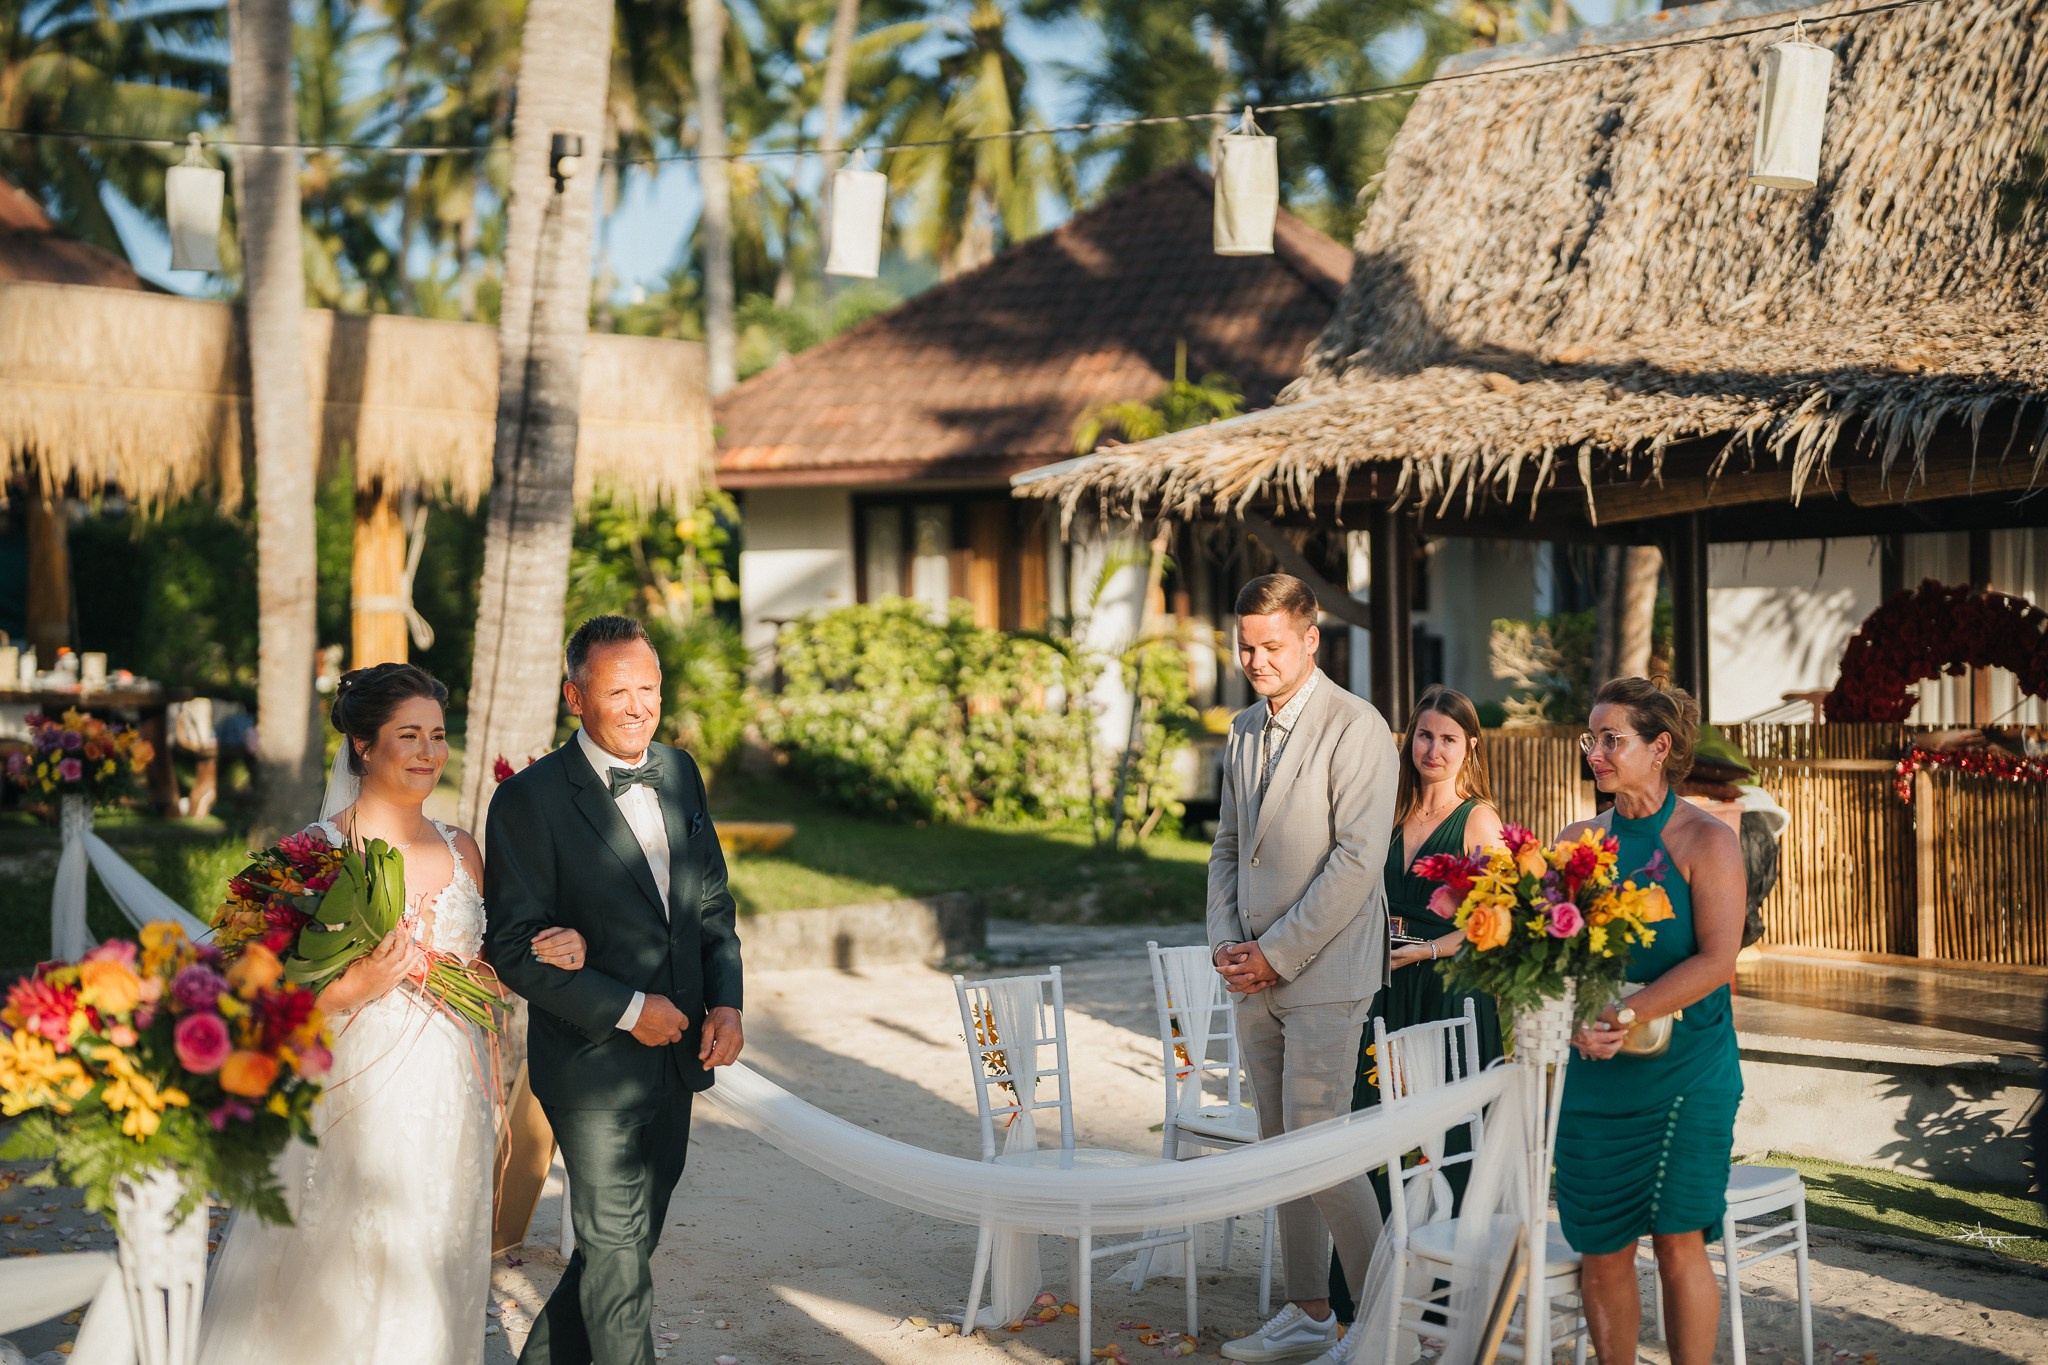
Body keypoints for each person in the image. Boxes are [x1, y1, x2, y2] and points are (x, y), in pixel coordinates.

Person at [200, 663, 587, 1365]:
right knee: (338, 1266)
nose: (427, 753)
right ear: (362, 745)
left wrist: (552, 946)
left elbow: (492, 959)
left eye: (437, 735)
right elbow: (253, 995)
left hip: (454, 1098)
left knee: (433, 1257)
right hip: (350, 1098)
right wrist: (355, 985)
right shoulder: (314, 854)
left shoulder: (462, 846)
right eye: (407, 735)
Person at [485, 615, 745, 1365]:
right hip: (591, 1065)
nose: (639, 705)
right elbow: (512, 948)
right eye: (617, 690)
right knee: (619, 1257)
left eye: (650, 689)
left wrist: (725, 999)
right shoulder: (529, 801)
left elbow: (711, 905)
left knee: (618, 1251)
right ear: (575, 696)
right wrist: (632, 1010)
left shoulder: (682, 771)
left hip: (680, 1058)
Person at [1208, 573, 1399, 1365]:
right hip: (1248, 969)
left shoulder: (1358, 727)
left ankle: (1386, 1313)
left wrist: (1276, 952)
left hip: (1325, 971)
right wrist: (1226, 943)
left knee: (1321, 1145)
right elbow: (1226, 847)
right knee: (1278, 1142)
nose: (1255, 658)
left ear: (1311, 638)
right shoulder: (1242, 727)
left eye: (1271, 645)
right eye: (1245, 645)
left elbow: (1357, 861)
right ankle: (1309, 1312)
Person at [1556, 678, 1745, 1365]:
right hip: (1596, 1070)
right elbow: (1553, 954)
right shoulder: (1576, 842)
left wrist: (1626, 1010)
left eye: (1613, 738)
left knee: (1676, 1238)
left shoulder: (1707, 840)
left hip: (1687, 1069)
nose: (1597, 751)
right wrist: (1580, 1018)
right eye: (1591, 737)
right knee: (1601, 1244)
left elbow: (1719, 960)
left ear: (1659, 747)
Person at [1327, 685, 1506, 1321]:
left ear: (1469, 748)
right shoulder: (1388, 815)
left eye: (1448, 739)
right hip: (1383, 986)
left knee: (1442, 1130)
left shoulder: (1477, 819)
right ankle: (1365, 1287)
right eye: (1424, 736)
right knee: (1374, 1120)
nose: (1434, 749)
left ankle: (1439, 1299)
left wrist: (1428, 953)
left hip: (1447, 988)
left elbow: (1499, 910)